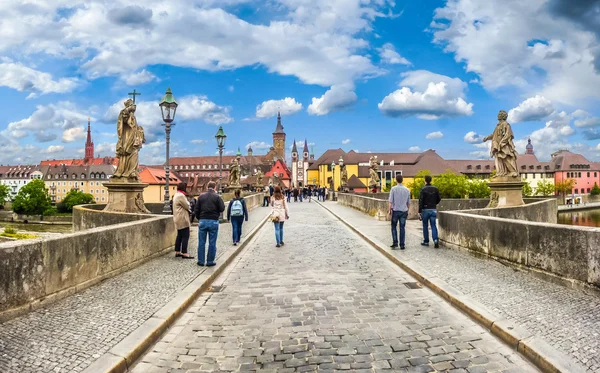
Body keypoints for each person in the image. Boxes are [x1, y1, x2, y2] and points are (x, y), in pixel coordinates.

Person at [194, 181, 225, 266]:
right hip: (213, 221)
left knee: (201, 242)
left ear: (207, 187)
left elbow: (196, 210)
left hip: (203, 220)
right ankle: (210, 261)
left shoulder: (201, 197)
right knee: (212, 242)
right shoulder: (217, 197)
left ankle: (201, 261)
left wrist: (199, 218)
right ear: (215, 188)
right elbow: (222, 208)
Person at [388, 174, 411, 250]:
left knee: (394, 226)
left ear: (396, 180)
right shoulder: (407, 190)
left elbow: (391, 201)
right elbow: (408, 203)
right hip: (404, 211)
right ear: (402, 180)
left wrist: (389, 210)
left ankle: (395, 242)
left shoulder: (393, 189)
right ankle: (402, 244)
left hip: (395, 210)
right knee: (402, 227)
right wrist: (408, 210)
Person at [419, 175, 441, 248]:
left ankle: (426, 241)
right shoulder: (436, 189)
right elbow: (439, 199)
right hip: (433, 209)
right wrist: (434, 204)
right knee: (433, 225)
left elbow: (421, 201)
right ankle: (435, 240)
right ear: (431, 180)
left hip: (425, 209)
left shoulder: (423, 189)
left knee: (425, 225)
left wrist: (420, 211)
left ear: (425, 180)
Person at [173, 183, 194, 259]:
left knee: (179, 235)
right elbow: (187, 206)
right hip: (182, 218)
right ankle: (185, 253)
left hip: (177, 218)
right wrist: (188, 204)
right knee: (185, 235)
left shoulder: (176, 195)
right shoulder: (181, 196)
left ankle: (178, 251)